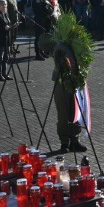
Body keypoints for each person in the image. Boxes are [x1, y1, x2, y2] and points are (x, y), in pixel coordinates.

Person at [38, 21, 88, 154]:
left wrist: (76, 74)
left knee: (75, 111)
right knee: (64, 112)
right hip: (62, 80)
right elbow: (43, 42)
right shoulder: (57, 41)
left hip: (73, 80)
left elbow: (77, 58)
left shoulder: (71, 42)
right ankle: (65, 142)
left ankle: (74, 140)